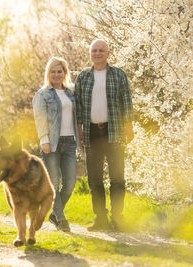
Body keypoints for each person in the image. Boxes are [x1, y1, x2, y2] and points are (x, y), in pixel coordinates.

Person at [74, 39, 134, 231]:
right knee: (94, 179)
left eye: (101, 50)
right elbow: (79, 108)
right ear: (90, 54)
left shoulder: (118, 75)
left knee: (117, 177)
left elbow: (127, 101)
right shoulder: (83, 77)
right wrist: (80, 131)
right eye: (94, 51)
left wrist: (129, 126)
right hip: (92, 132)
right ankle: (100, 218)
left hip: (114, 131)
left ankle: (118, 218)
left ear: (108, 53)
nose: (97, 53)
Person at [32, 57, 80, 232]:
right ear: (48, 74)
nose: (56, 74)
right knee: (53, 182)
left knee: (69, 183)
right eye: (53, 71)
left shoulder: (70, 92)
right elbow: (40, 118)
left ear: (65, 73)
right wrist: (44, 139)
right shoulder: (42, 94)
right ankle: (60, 219)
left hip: (69, 142)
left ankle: (53, 213)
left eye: (59, 71)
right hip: (51, 143)